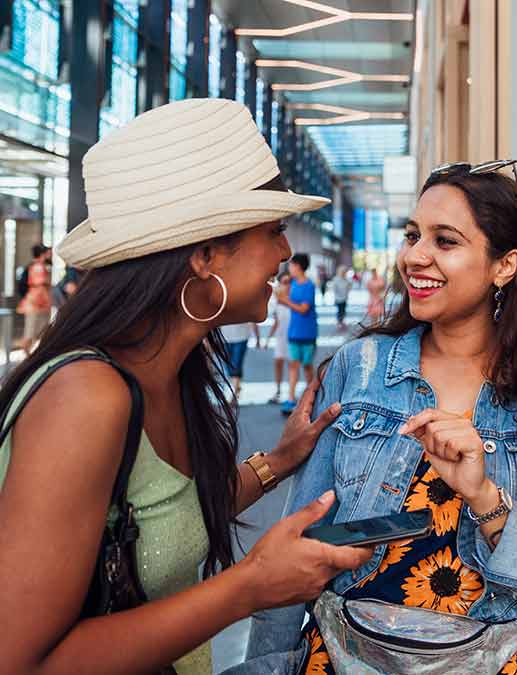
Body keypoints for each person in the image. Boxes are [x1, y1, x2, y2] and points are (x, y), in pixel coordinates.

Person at [0, 98, 373, 674]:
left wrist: (281, 459)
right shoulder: (85, 398)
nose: (283, 252)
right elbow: (21, 661)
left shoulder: (169, 374)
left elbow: (165, 517)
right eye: (273, 230)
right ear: (203, 256)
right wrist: (248, 587)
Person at [240, 161, 517, 674]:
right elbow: (303, 543)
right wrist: (269, 664)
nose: (414, 256)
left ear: (505, 265)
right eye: (412, 235)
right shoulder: (361, 368)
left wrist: (486, 499)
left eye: (445, 241)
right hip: (347, 657)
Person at [277, 253, 318, 415]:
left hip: (308, 332)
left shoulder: (309, 286)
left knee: (307, 366)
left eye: (292, 265)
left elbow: (303, 309)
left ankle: (312, 398)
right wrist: (284, 285)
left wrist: (285, 300)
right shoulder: (291, 283)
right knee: (293, 365)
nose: (289, 268)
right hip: (294, 332)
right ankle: (291, 398)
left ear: (299, 266)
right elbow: (280, 295)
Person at [16, 244, 53, 352]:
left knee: (38, 329)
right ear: (42, 254)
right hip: (35, 301)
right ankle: (27, 352)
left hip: (39, 301)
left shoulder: (40, 266)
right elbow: (40, 283)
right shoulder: (37, 267)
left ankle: (30, 351)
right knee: (31, 329)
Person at [266, 271, 292, 404]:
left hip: (293, 338)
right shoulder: (277, 303)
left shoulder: (294, 301)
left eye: (289, 282)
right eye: (284, 282)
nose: (286, 285)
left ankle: (291, 393)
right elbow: (276, 322)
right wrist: (267, 339)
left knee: (292, 365)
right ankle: (278, 390)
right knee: (278, 363)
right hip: (280, 338)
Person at [219, 322, 259, 399]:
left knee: (236, 364)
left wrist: (257, 336)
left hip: (241, 337)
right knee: (228, 365)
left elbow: (252, 317)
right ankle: (237, 387)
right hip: (224, 338)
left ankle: (235, 392)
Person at [330, 265, 352, 331]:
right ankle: (339, 323)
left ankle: (341, 322)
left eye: (344, 272)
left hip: (344, 298)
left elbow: (349, 286)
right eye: (343, 271)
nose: (343, 273)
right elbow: (334, 289)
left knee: (343, 311)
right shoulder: (336, 279)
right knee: (340, 311)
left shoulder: (346, 279)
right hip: (338, 298)